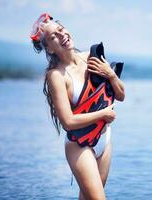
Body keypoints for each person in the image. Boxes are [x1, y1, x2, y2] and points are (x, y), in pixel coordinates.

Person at [30, 13, 125, 199]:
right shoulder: (56, 76)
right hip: (79, 146)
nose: (61, 35)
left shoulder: (91, 57)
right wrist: (102, 114)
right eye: (53, 37)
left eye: (60, 29)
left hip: (104, 139)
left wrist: (110, 74)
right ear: (49, 49)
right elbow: (68, 122)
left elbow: (120, 96)